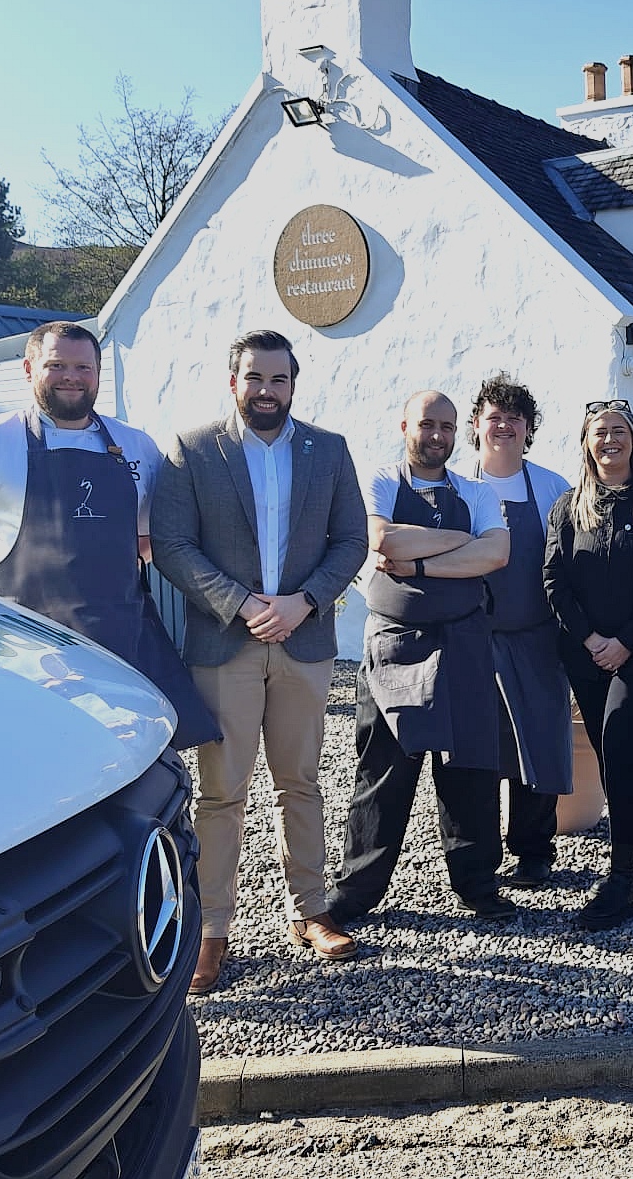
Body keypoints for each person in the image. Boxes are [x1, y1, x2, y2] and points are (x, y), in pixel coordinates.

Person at [151, 329, 369, 994]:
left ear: (293, 384)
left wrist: (304, 601)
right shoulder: (192, 450)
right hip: (227, 644)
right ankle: (212, 929)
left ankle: (309, 910)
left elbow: (352, 539)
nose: (266, 390)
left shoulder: (327, 450)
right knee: (222, 794)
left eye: (278, 379)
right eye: (255, 378)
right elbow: (173, 544)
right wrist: (243, 602)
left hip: (303, 642)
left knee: (300, 783)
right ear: (233, 381)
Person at [0, 320, 220, 750]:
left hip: (120, 640)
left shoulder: (137, 446)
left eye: (84, 367)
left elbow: (150, 539)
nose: (72, 378)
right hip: (22, 643)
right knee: (33, 755)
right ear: (28, 368)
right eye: (56, 365)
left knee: (129, 761)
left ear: (98, 373)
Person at [326, 390, 515, 922]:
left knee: (472, 768)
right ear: (404, 424)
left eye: (447, 427)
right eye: (427, 424)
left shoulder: (476, 492)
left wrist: (424, 562)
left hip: (465, 644)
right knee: (383, 769)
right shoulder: (382, 481)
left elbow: (495, 553)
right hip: (395, 646)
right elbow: (383, 541)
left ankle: (477, 882)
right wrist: (457, 542)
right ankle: (356, 891)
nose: (437, 436)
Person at [544, 400, 633, 930]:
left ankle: (622, 881)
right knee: (612, 755)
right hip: (586, 653)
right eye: (600, 433)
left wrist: (624, 641)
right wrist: (593, 639)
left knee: (619, 745)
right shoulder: (568, 507)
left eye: (619, 431)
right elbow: (554, 582)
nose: (610, 441)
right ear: (586, 442)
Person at [460, 373, 574, 890]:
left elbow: (571, 564)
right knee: (478, 747)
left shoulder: (552, 488)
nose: (503, 425)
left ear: (529, 429)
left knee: (541, 739)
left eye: (514, 417)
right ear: (476, 426)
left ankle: (533, 849)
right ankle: (477, 855)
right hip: (471, 638)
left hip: (537, 636)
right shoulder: (456, 485)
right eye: (494, 416)